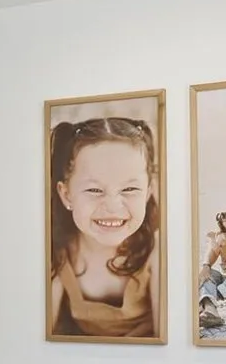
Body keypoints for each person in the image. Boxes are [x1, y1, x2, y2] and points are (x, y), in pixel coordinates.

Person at [48, 116, 160, 338]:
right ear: (66, 194)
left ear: (148, 191)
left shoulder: (159, 251)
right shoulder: (56, 249)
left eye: (129, 189)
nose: (112, 206)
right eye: (94, 190)